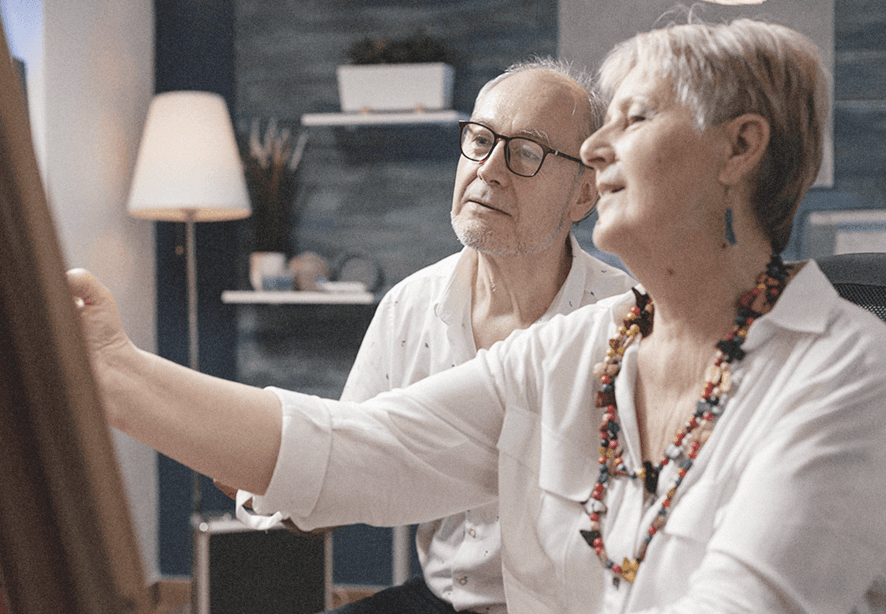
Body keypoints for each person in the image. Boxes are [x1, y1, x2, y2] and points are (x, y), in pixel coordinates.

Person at [68, 17, 886, 613]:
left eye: (634, 119)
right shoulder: (577, 349)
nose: (600, 151)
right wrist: (111, 369)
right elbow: (359, 447)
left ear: (739, 150)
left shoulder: (849, 371)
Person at [329, 60, 635, 614]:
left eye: (525, 153)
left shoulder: (626, 321)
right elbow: (346, 461)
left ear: (583, 195)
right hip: (442, 599)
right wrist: (264, 477)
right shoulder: (409, 305)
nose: (489, 169)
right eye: (479, 140)